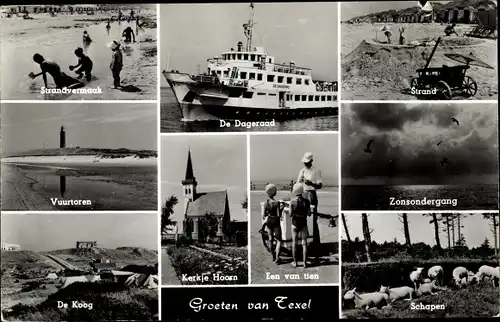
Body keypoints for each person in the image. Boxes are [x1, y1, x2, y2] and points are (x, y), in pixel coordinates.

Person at [297, 152, 322, 250]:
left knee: (313, 218)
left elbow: (320, 186)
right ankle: (304, 242)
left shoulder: (316, 171)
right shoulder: (302, 171)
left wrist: (311, 183)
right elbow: (297, 184)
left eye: (307, 162)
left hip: (311, 194)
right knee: (302, 218)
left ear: (311, 161)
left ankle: (315, 242)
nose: (305, 164)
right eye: (304, 162)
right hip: (302, 194)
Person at [290, 183, 311, 268]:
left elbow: (291, 214)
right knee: (304, 244)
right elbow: (309, 214)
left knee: (294, 243)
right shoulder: (307, 201)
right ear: (302, 191)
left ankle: (295, 262)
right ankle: (305, 263)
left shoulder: (292, 202)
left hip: (295, 223)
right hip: (303, 223)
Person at [263, 184, 283, 264]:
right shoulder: (276, 202)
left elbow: (264, 215)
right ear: (274, 192)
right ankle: (277, 258)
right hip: (275, 221)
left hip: (269, 221)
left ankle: (273, 256)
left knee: (270, 239)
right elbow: (279, 215)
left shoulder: (266, 202)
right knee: (279, 240)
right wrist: (282, 208)